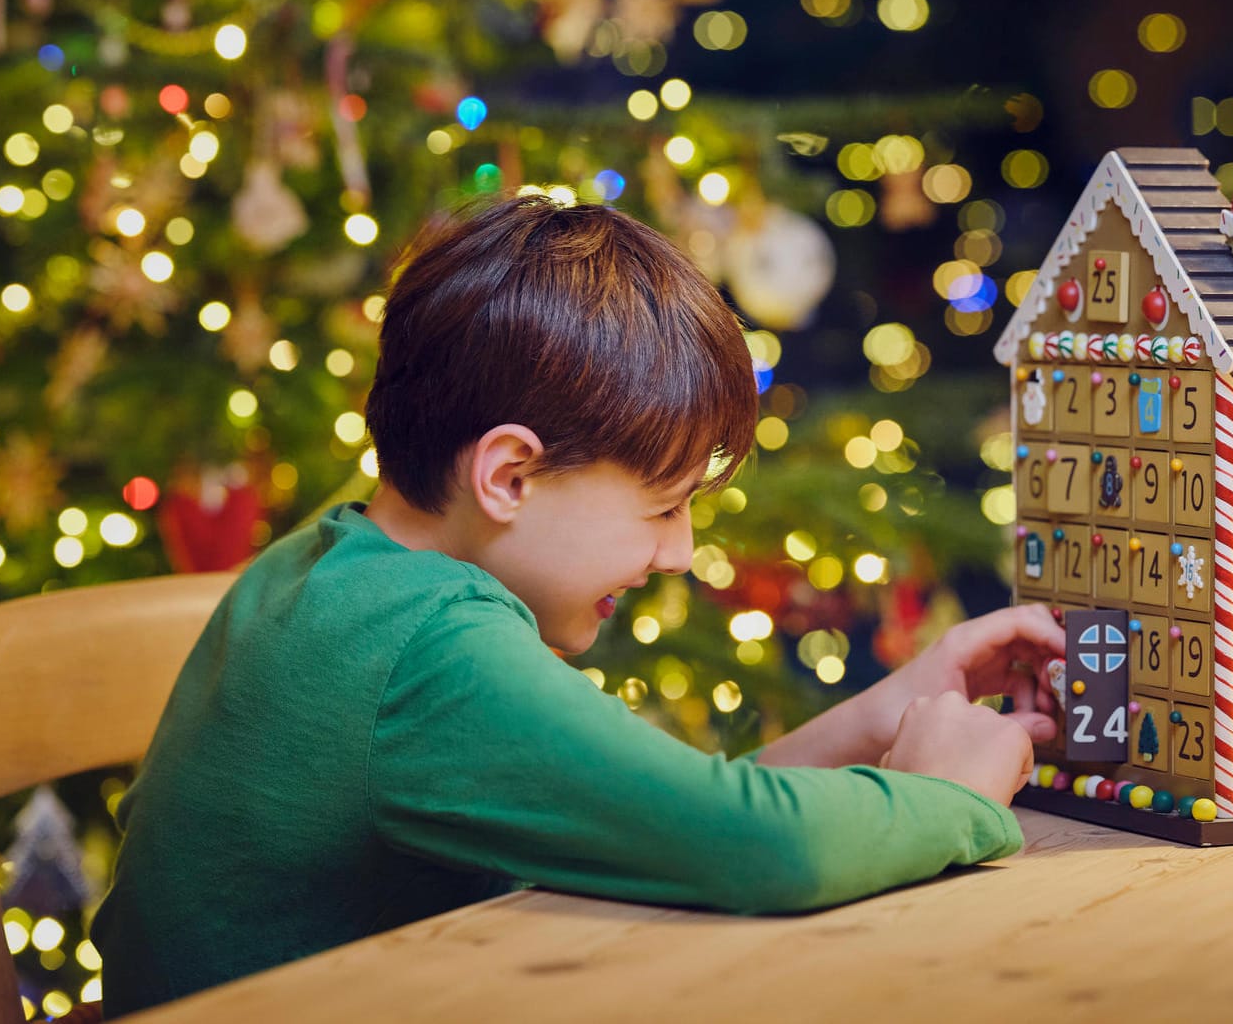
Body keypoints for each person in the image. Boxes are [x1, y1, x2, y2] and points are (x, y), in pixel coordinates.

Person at [90, 195, 1063, 1017]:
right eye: (663, 505)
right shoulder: (425, 645)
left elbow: (671, 820)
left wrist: (881, 715)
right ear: (509, 473)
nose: (679, 551)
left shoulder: (342, 561)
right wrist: (948, 800)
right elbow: (759, 847)